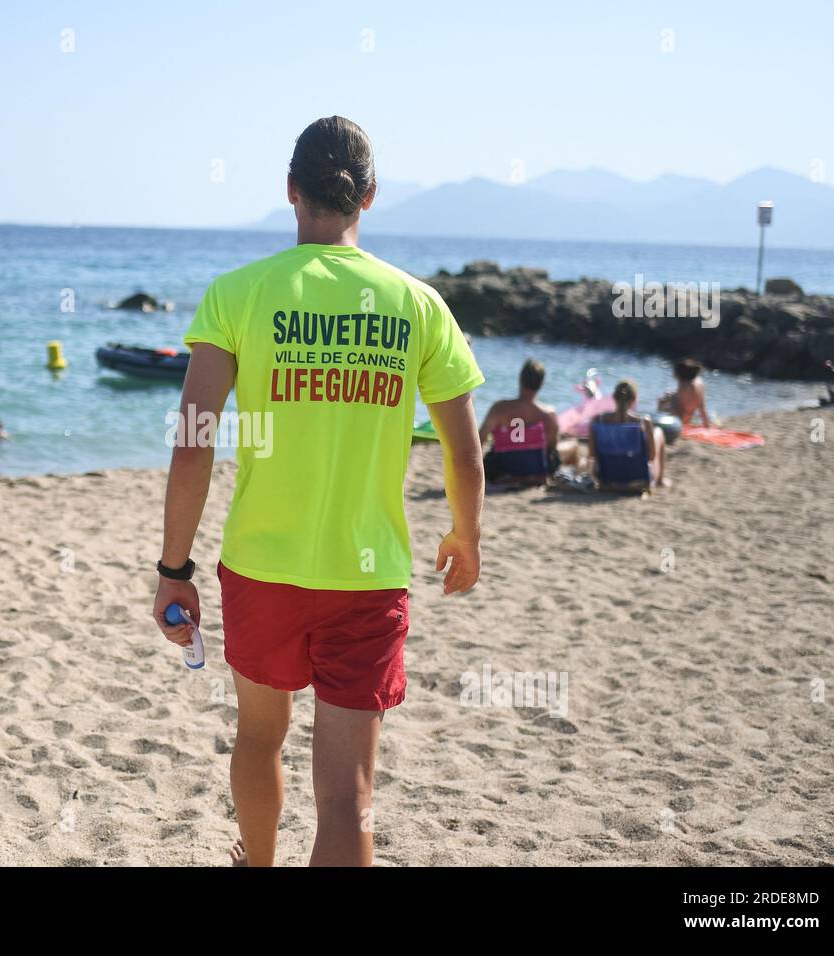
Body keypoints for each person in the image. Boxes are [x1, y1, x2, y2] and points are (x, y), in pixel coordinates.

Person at [153, 117, 485, 867]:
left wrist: (175, 568)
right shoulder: (418, 304)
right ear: (369, 196)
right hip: (366, 576)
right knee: (347, 792)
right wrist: (467, 535)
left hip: (262, 565)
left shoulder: (238, 293)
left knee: (260, 737)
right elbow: (464, 448)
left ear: (291, 191)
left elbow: (193, 439)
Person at [477, 358, 564, 483]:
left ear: (520, 380)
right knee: (571, 448)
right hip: (536, 469)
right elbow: (552, 447)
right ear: (542, 384)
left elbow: (480, 439)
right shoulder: (549, 414)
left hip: (501, 468)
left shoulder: (499, 408)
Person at [590, 379, 668, 490]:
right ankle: (660, 480)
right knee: (658, 432)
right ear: (634, 399)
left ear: (613, 397)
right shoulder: (643, 421)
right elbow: (651, 457)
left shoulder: (598, 420)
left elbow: (592, 454)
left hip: (607, 477)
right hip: (638, 477)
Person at [658, 358, 711, 426]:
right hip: (690, 415)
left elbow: (680, 411)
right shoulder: (699, 381)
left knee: (662, 401)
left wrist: (669, 399)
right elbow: (702, 408)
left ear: (678, 374)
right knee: (671, 395)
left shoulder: (683, 386)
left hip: (682, 420)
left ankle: (658, 422)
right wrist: (707, 425)